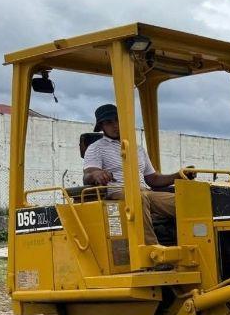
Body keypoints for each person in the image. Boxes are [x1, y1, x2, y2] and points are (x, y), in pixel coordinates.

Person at [82, 104, 194, 245]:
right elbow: (87, 176)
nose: (115, 125)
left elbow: (152, 179)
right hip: (118, 193)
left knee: (188, 202)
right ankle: (151, 249)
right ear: (101, 126)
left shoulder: (137, 148)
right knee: (137, 198)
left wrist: (179, 175)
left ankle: (192, 246)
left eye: (117, 120)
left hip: (146, 193)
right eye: (109, 122)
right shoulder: (96, 148)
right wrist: (96, 174)